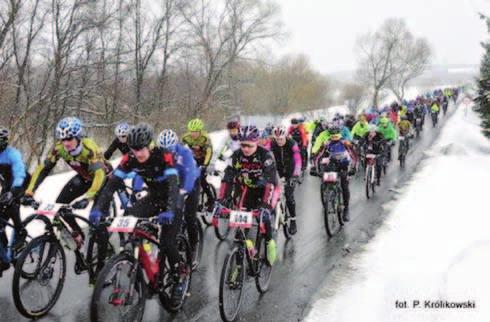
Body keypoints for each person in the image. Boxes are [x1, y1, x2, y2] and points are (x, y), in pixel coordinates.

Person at [90, 123, 187, 306]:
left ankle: (179, 275)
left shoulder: (164, 156)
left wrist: (170, 210)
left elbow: (173, 185)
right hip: (153, 197)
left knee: (167, 242)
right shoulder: (129, 159)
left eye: (141, 149)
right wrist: (98, 208)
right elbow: (111, 185)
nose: (138, 153)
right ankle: (138, 258)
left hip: (174, 199)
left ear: (149, 145)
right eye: (134, 149)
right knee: (128, 219)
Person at [23, 117, 111, 249]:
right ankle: (78, 234)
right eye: (63, 139)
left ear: (78, 136)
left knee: (96, 218)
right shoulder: (59, 149)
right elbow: (43, 169)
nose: (66, 143)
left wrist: (89, 197)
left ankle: (103, 256)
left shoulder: (89, 148)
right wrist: (29, 192)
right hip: (84, 177)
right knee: (60, 207)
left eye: (69, 138)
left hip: (104, 180)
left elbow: (99, 175)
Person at [217, 125, 278, 265]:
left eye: (249, 146)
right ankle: (241, 261)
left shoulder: (265, 156)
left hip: (266, 190)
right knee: (241, 228)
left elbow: (270, 182)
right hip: (249, 189)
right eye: (243, 145)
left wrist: (265, 205)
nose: (245, 149)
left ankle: (269, 243)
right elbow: (228, 177)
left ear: (256, 142)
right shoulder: (237, 156)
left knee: (265, 217)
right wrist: (221, 200)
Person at [157, 129, 201, 265]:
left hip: (191, 182)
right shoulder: (159, 155)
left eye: (169, 149)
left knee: (189, 216)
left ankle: (194, 245)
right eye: (163, 149)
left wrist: (184, 191)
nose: (167, 152)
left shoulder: (185, 153)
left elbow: (190, 174)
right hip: (173, 183)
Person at [0, 127, 29, 272]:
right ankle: (3, 252)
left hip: (20, 184)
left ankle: (21, 235)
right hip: (6, 187)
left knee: (11, 208)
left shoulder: (13, 154)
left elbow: (19, 174)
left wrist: (13, 192)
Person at [270, 125, 301, 235]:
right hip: (279, 172)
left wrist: (296, 174)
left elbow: (298, 160)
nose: (279, 141)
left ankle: (293, 220)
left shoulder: (292, 143)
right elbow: (265, 155)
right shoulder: (272, 144)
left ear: (286, 136)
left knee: (289, 195)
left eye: (281, 139)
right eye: (277, 139)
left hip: (291, 172)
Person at [317, 126, 352, 221]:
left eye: (336, 136)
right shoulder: (327, 143)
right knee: (326, 177)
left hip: (344, 165)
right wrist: (316, 168)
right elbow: (320, 155)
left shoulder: (345, 142)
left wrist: (352, 169)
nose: (334, 138)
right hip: (333, 165)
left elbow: (353, 155)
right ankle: (328, 194)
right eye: (332, 136)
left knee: (344, 185)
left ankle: (346, 209)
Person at [182, 118, 214, 211]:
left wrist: (205, 165)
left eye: (196, 132)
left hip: (205, 158)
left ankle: (211, 200)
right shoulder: (186, 137)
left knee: (201, 179)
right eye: (192, 131)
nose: (193, 134)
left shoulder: (206, 138)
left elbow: (209, 152)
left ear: (200, 131)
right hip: (194, 158)